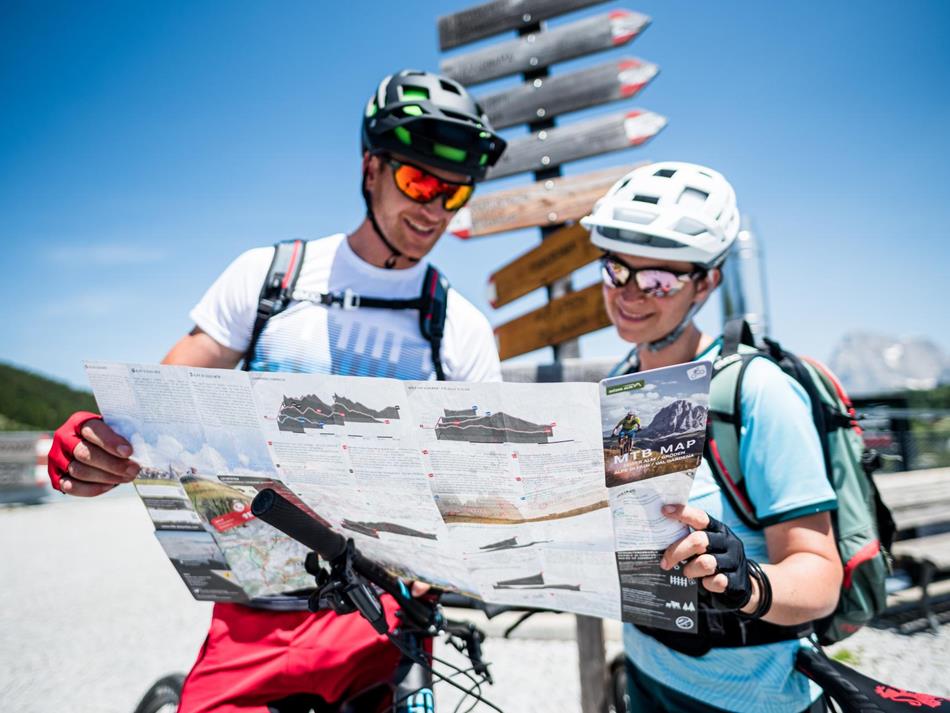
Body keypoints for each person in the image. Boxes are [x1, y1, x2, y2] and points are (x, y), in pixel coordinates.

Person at [46, 69, 507, 712]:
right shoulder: (269, 278)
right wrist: (97, 443)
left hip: (388, 622)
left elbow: (483, 481)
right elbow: (156, 408)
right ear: (371, 167)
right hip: (256, 615)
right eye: (419, 180)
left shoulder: (460, 325)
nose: (433, 207)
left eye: (453, 193)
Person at [582, 162, 841, 713]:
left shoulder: (756, 391)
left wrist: (746, 579)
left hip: (759, 699)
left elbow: (821, 577)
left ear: (707, 281)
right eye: (615, 270)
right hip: (648, 681)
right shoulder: (624, 385)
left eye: (658, 279)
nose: (629, 293)